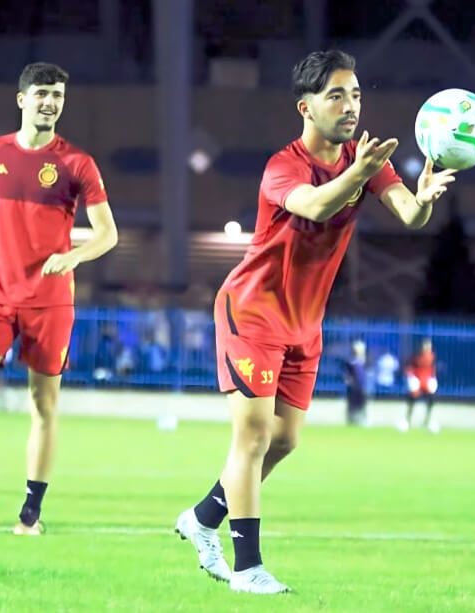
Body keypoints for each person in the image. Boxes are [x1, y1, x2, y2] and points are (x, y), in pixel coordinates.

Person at [173, 50, 456, 594]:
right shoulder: (285, 165)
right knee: (253, 438)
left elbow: (409, 215)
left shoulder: (364, 157)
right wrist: (360, 172)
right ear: (306, 107)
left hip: (304, 322)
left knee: (285, 441)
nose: (350, 106)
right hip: (252, 311)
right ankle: (247, 567)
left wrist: (421, 200)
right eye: (336, 96)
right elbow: (318, 206)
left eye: (355, 95)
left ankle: (201, 519)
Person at [0, 62, 118, 534]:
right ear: (22, 100)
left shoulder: (77, 164)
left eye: (57, 95)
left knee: (42, 403)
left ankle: (31, 511)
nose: (50, 102)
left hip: (49, 300)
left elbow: (107, 235)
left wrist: (74, 257)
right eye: (42, 94)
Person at [402, 337, 438, 432]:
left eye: (429, 346)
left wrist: (433, 379)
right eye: (426, 345)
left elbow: (433, 370)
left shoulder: (433, 357)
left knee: (430, 401)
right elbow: (409, 368)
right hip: (417, 381)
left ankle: (427, 421)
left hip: (427, 381)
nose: (427, 348)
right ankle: (407, 420)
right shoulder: (415, 356)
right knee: (412, 400)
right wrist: (412, 379)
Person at [343, 340, 368, 426]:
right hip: (353, 386)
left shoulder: (363, 360)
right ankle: (350, 420)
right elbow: (347, 374)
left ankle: (363, 419)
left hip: (361, 385)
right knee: (352, 404)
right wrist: (349, 381)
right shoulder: (351, 361)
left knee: (362, 403)